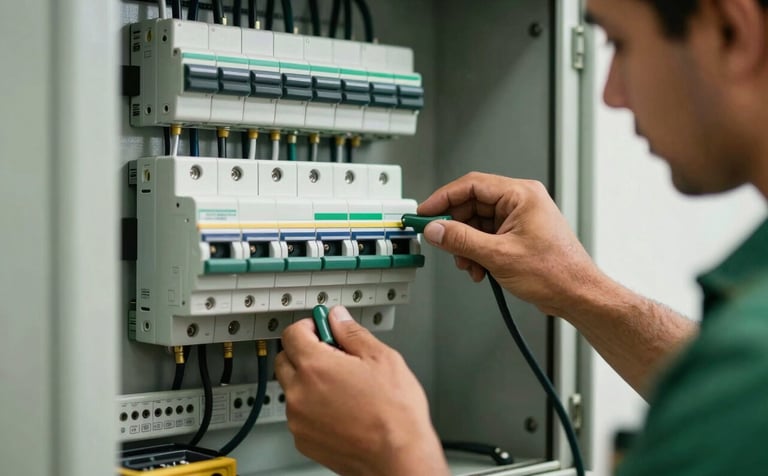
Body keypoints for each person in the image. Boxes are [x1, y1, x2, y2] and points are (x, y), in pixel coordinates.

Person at [274, 0, 768, 474]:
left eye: (620, 42)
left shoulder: (749, 361)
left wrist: (394, 455)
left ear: (733, 32)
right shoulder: (743, 357)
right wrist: (579, 287)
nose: (610, 94)